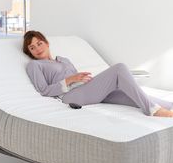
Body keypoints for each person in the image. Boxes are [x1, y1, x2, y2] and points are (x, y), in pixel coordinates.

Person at [23, 30, 173, 117]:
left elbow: (78, 78)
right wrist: (68, 80)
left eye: (39, 43)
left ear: (47, 43)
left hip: (87, 89)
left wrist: (87, 81)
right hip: (71, 96)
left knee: (129, 92)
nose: (37, 48)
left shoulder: (63, 59)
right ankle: (152, 110)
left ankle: (168, 106)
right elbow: (43, 90)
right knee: (119, 68)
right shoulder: (35, 65)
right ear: (29, 52)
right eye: (32, 47)